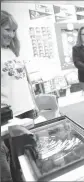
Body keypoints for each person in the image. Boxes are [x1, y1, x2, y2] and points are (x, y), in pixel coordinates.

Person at [1, 10, 38, 182]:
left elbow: (26, 80)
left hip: (28, 110)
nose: (11, 34)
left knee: (32, 156)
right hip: (11, 117)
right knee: (17, 164)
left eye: (13, 30)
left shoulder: (15, 51)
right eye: (7, 29)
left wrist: (34, 102)